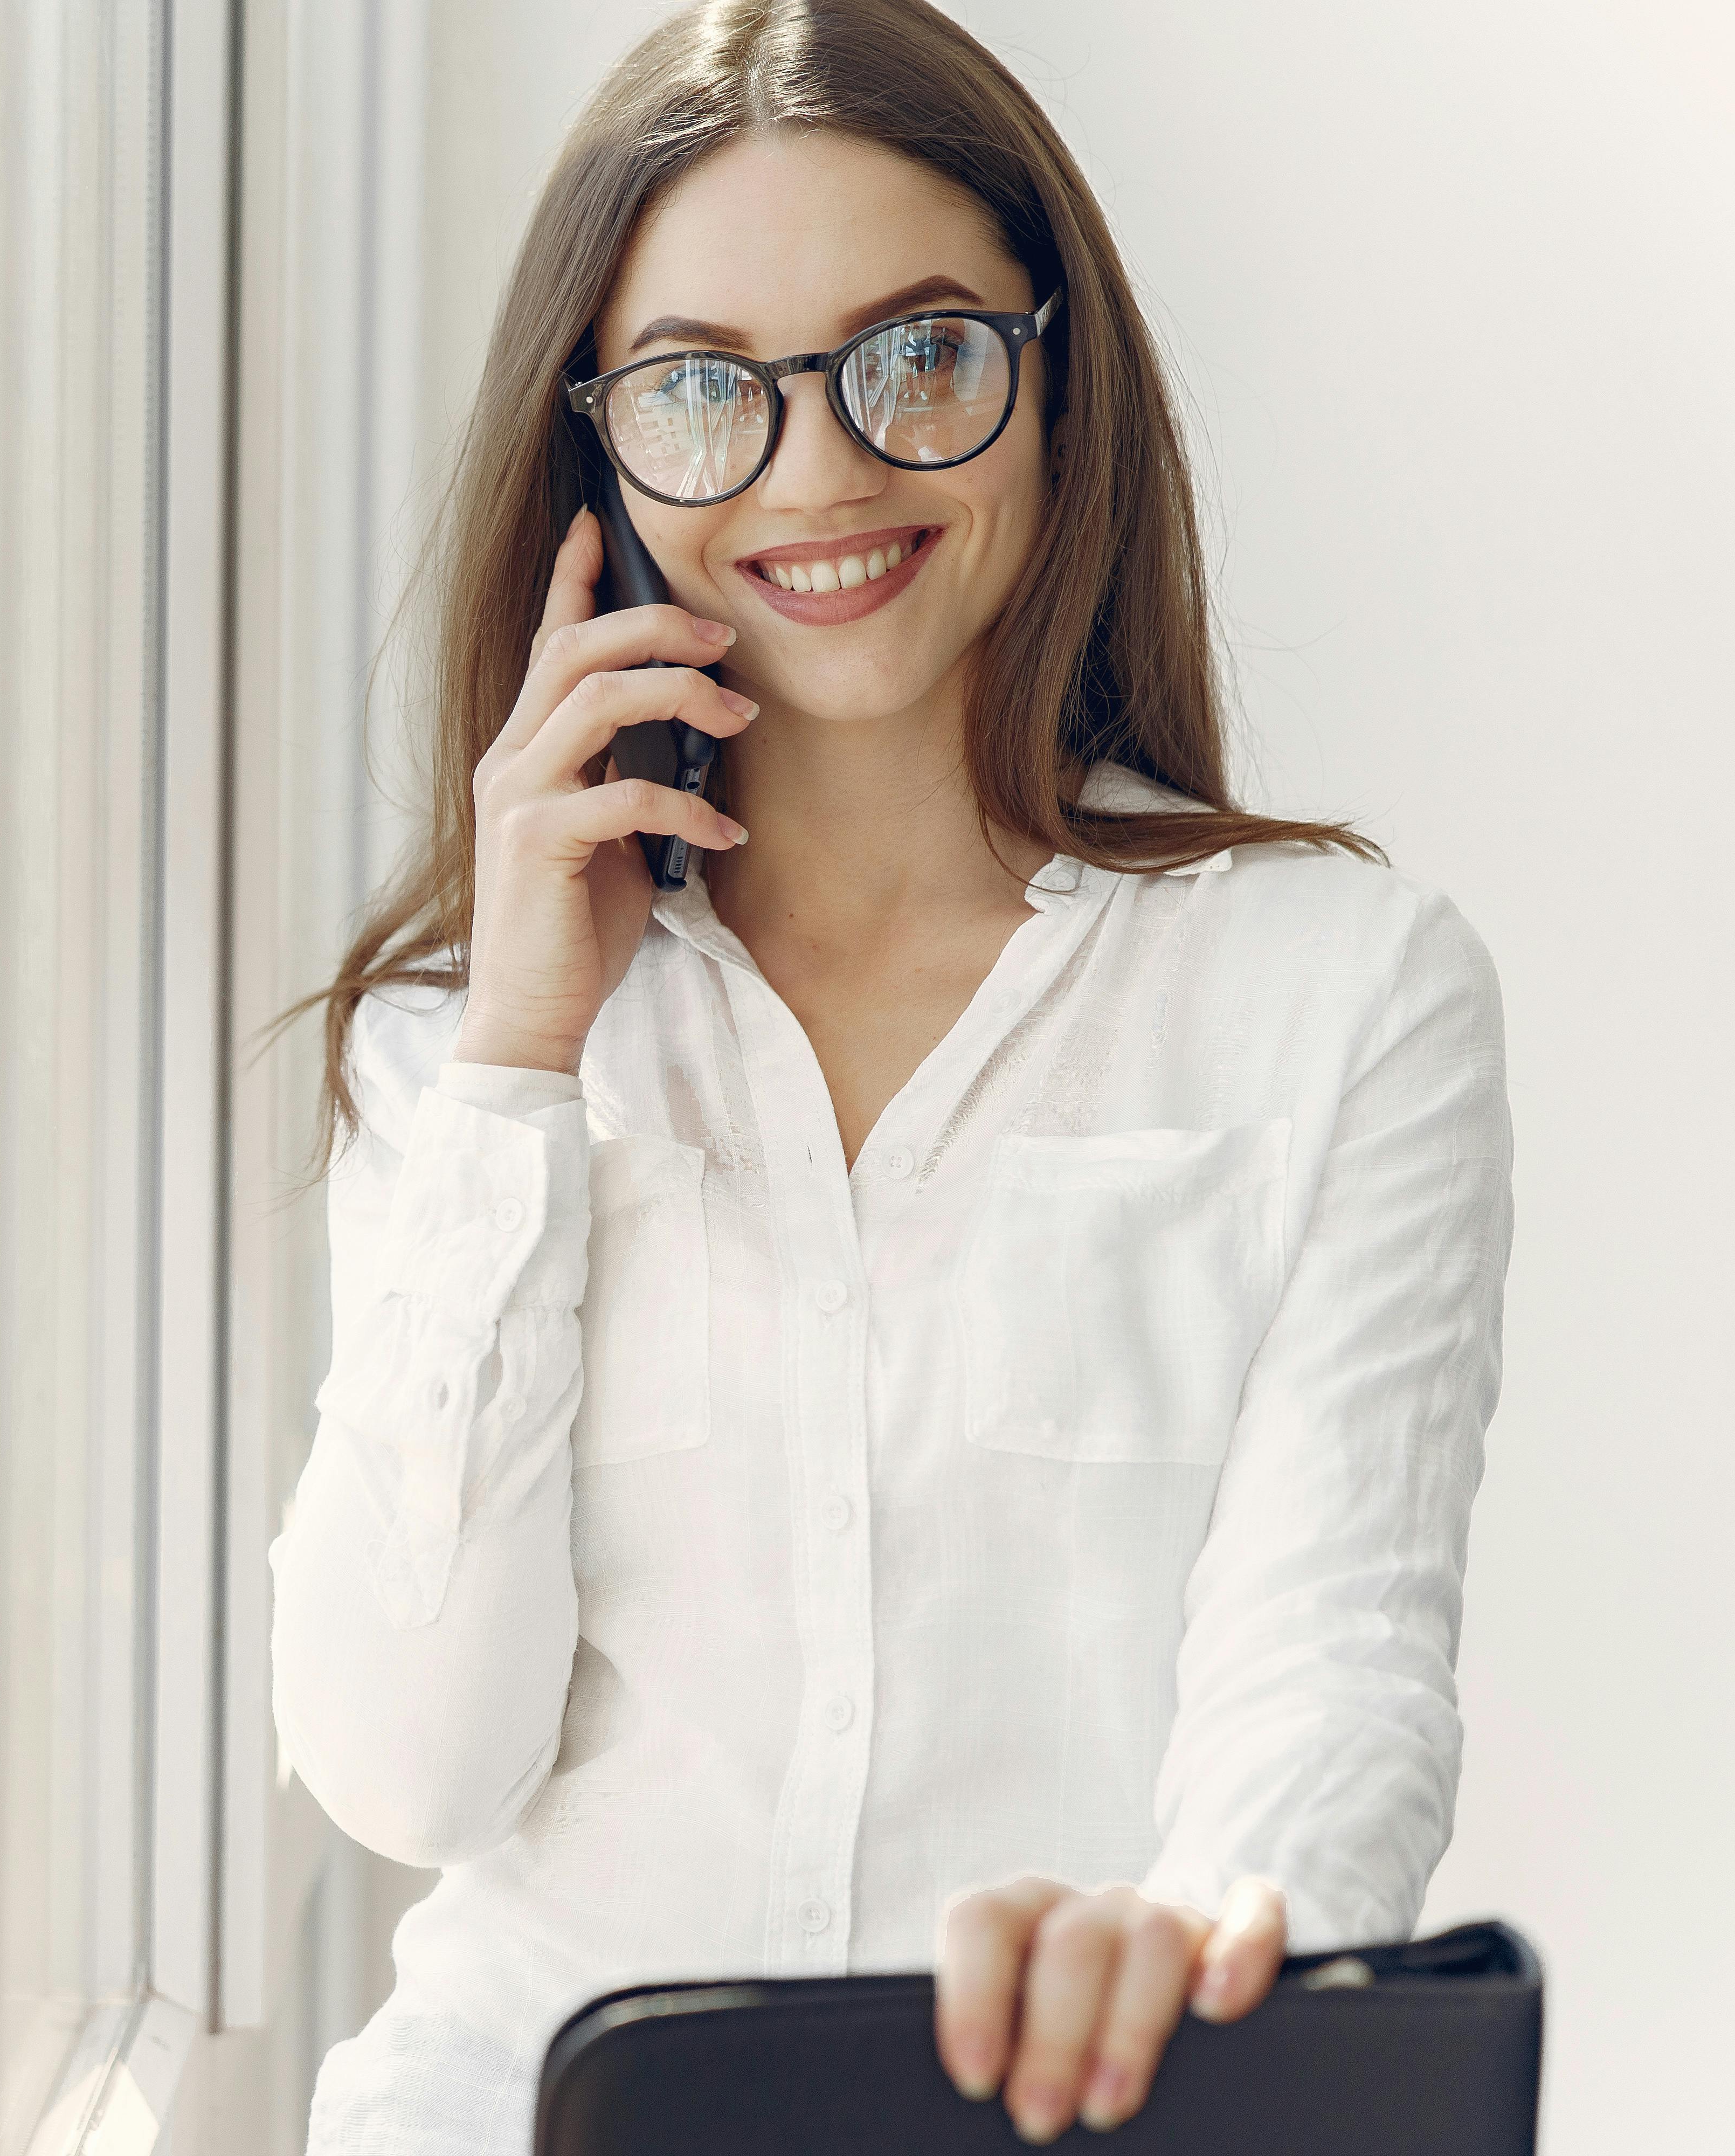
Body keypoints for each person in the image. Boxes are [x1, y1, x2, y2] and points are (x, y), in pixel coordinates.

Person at [269, 2, 1511, 2148]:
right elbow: (404, 1770)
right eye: (699, 387)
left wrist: (1221, 1965)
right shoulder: (459, 1050)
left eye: (918, 354)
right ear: (597, 452)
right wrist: (520, 1069)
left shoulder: (1343, 992)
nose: (819, 469)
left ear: (1054, 377)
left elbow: (1332, 1674)